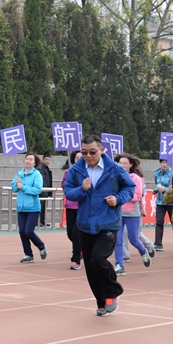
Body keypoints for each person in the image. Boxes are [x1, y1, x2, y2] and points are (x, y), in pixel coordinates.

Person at [64, 135, 135, 317]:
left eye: (92, 152)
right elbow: (69, 192)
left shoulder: (115, 169)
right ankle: (101, 302)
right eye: (84, 152)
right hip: (85, 224)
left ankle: (113, 291)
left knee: (98, 259)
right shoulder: (76, 170)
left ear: (101, 150)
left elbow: (130, 188)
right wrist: (82, 189)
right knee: (90, 266)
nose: (88, 155)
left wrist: (117, 199)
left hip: (108, 223)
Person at [113, 153, 152, 276]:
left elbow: (137, 196)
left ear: (131, 164)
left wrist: (119, 197)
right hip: (118, 212)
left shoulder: (136, 178)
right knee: (117, 240)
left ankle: (143, 251)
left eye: (125, 163)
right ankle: (119, 265)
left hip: (132, 213)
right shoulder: (114, 176)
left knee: (134, 239)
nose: (122, 165)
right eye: (120, 163)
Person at [12, 152, 47, 263]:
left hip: (33, 208)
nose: (28, 161)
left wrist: (23, 187)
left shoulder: (37, 175)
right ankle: (28, 254)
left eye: (31, 159)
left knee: (28, 231)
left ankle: (41, 246)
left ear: (35, 163)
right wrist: (16, 185)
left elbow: (37, 190)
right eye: (26, 159)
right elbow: (14, 188)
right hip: (21, 208)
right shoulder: (19, 174)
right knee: (22, 231)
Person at [62, 151, 83, 270]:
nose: (79, 159)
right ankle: (80, 249)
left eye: (81, 157)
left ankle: (75, 259)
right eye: (77, 157)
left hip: (82, 207)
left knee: (76, 233)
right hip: (71, 206)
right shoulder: (68, 172)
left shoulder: (88, 172)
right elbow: (64, 186)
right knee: (70, 233)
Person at [153, 159, 173, 251]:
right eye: (162, 163)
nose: (164, 164)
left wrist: (164, 189)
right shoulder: (157, 173)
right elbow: (158, 185)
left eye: (166, 162)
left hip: (170, 202)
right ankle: (158, 243)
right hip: (160, 202)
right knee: (159, 222)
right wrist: (155, 190)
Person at [37, 154, 53, 227]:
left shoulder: (47, 169)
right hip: (41, 191)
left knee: (44, 207)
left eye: (49, 160)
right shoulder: (39, 169)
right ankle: (37, 222)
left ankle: (42, 221)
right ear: (43, 160)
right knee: (39, 207)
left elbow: (48, 181)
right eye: (46, 159)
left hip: (45, 191)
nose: (48, 161)